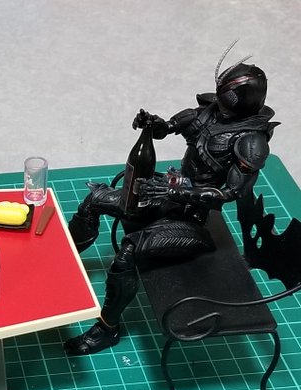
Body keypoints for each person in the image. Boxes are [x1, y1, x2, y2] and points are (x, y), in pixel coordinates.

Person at [65, 57, 279, 356]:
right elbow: (167, 127)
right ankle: (61, 262)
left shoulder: (251, 141)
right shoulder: (209, 113)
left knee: (128, 252)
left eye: (228, 94)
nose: (222, 97)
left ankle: (107, 328)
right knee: (94, 199)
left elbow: (230, 192)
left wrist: (180, 191)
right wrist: (152, 124)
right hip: (168, 192)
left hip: (193, 218)